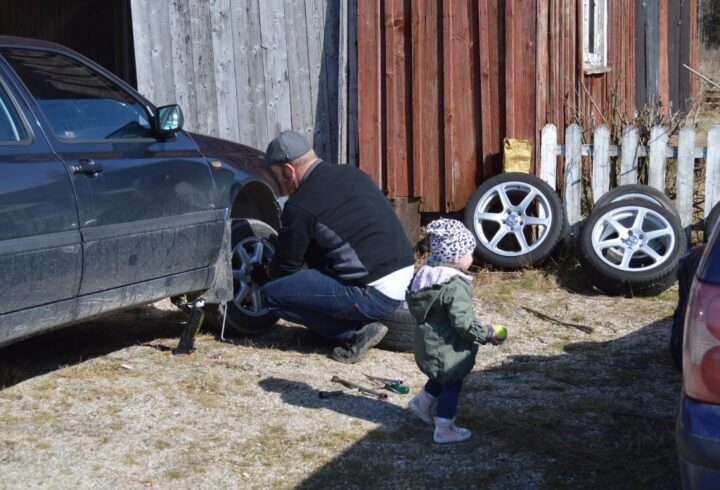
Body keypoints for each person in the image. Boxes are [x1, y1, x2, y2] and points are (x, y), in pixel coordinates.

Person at [251, 130, 415, 364]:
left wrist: (263, 273)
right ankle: (333, 327)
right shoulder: (351, 173)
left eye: (278, 176)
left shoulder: (299, 205)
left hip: (374, 293)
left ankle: (351, 335)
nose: (280, 183)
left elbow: (285, 267)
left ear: (289, 170)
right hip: (402, 273)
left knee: (272, 295)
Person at [406, 218, 508, 443]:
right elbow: (463, 322)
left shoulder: (428, 274)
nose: (472, 258)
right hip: (447, 347)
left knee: (442, 376)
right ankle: (444, 429)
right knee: (452, 382)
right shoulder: (455, 284)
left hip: (428, 344)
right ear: (455, 255)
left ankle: (420, 403)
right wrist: (487, 333)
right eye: (469, 253)